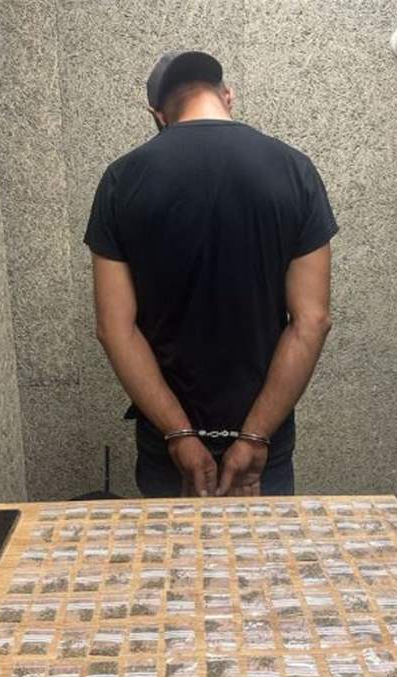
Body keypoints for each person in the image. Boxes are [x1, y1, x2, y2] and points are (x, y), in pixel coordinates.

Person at [84, 50, 338, 499]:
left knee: (173, 546)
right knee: (262, 546)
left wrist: (180, 435)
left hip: (169, 443)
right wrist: (254, 438)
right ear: (227, 96)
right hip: (265, 440)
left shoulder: (121, 180)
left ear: (158, 115)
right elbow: (311, 320)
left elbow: (115, 328)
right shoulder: (295, 171)